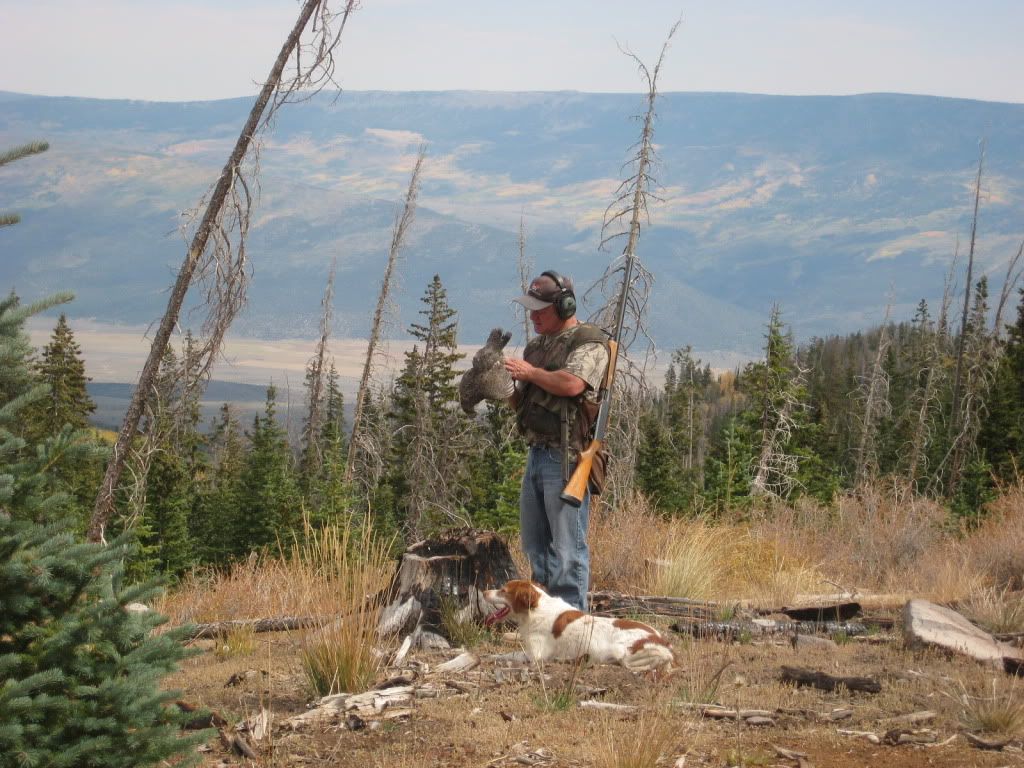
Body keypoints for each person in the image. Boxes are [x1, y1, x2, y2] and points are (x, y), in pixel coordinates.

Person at [504, 271, 610, 611]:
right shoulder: (537, 347)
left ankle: (573, 625)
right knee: (536, 545)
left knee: (567, 550)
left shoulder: (589, 342)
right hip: (537, 453)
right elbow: (523, 400)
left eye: (540, 309)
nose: (533, 316)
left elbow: (572, 384)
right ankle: (546, 621)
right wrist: (498, 384)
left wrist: (528, 373)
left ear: (564, 306)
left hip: (566, 457)